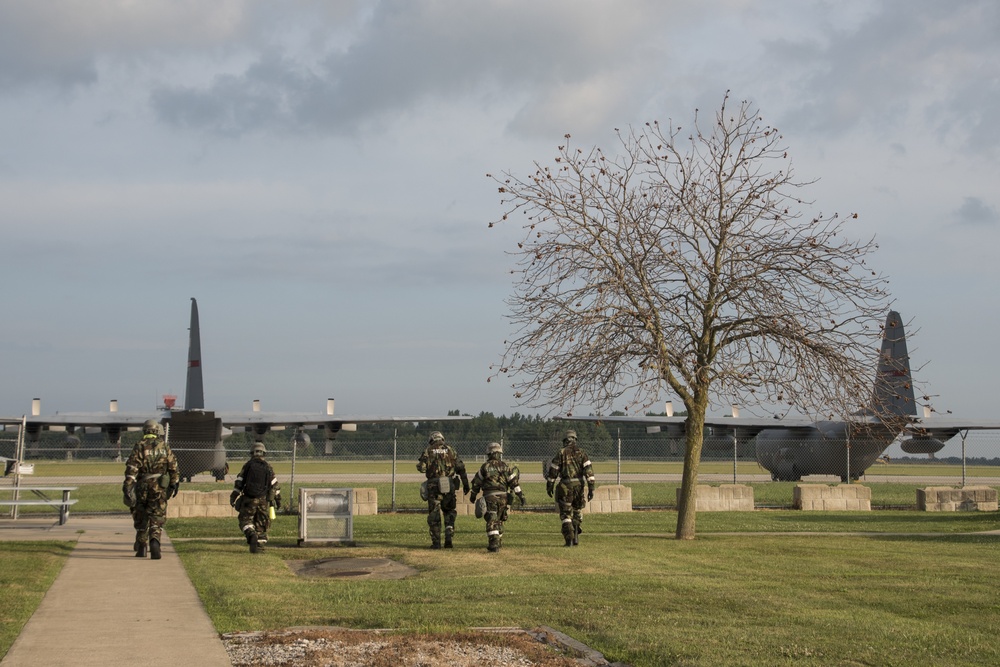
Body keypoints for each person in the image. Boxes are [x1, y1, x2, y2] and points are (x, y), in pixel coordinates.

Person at [122, 418, 179, 560]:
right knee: (156, 513)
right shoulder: (164, 446)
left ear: (145, 430)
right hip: (159, 487)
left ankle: (141, 545)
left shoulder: (139, 446)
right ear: (156, 430)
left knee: (140, 513)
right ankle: (155, 541)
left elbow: (132, 468)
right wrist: (174, 483)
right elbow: (173, 467)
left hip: (142, 485)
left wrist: (128, 485)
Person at [416, 431, 469, 549]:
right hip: (449, 484)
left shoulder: (428, 450)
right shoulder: (451, 450)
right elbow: (460, 467)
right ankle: (449, 535)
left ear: (432, 439)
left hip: (433, 486)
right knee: (449, 510)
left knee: (434, 513)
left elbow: (422, 468)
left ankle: (436, 543)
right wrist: (466, 484)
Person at [468, 442, 525, 552]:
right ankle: (498, 541)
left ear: (489, 454)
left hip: (490, 497)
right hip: (503, 497)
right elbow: (514, 482)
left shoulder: (485, 467)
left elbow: (476, 483)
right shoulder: (505, 466)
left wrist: (473, 495)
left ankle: (494, 544)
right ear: (499, 453)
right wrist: (521, 496)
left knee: (492, 519)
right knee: (499, 519)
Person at [545, 429, 595, 547]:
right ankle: (576, 536)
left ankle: (569, 540)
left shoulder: (561, 453)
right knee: (577, 510)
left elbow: (553, 471)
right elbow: (589, 471)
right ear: (575, 440)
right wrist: (591, 488)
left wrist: (549, 485)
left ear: (565, 440)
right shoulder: (582, 453)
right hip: (579, 486)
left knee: (566, 514)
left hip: (566, 486)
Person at [230, 442, 282, 554]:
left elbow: (239, 482)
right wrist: (278, 499)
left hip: (249, 499)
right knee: (262, 523)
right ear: (264, 453)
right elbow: (275, 485)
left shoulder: (248, 465)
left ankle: (250, 533)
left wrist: (233, 496)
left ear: (251, 453)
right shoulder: (268, 467)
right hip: (263, 500)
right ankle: (260, 547)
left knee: (245, 520)